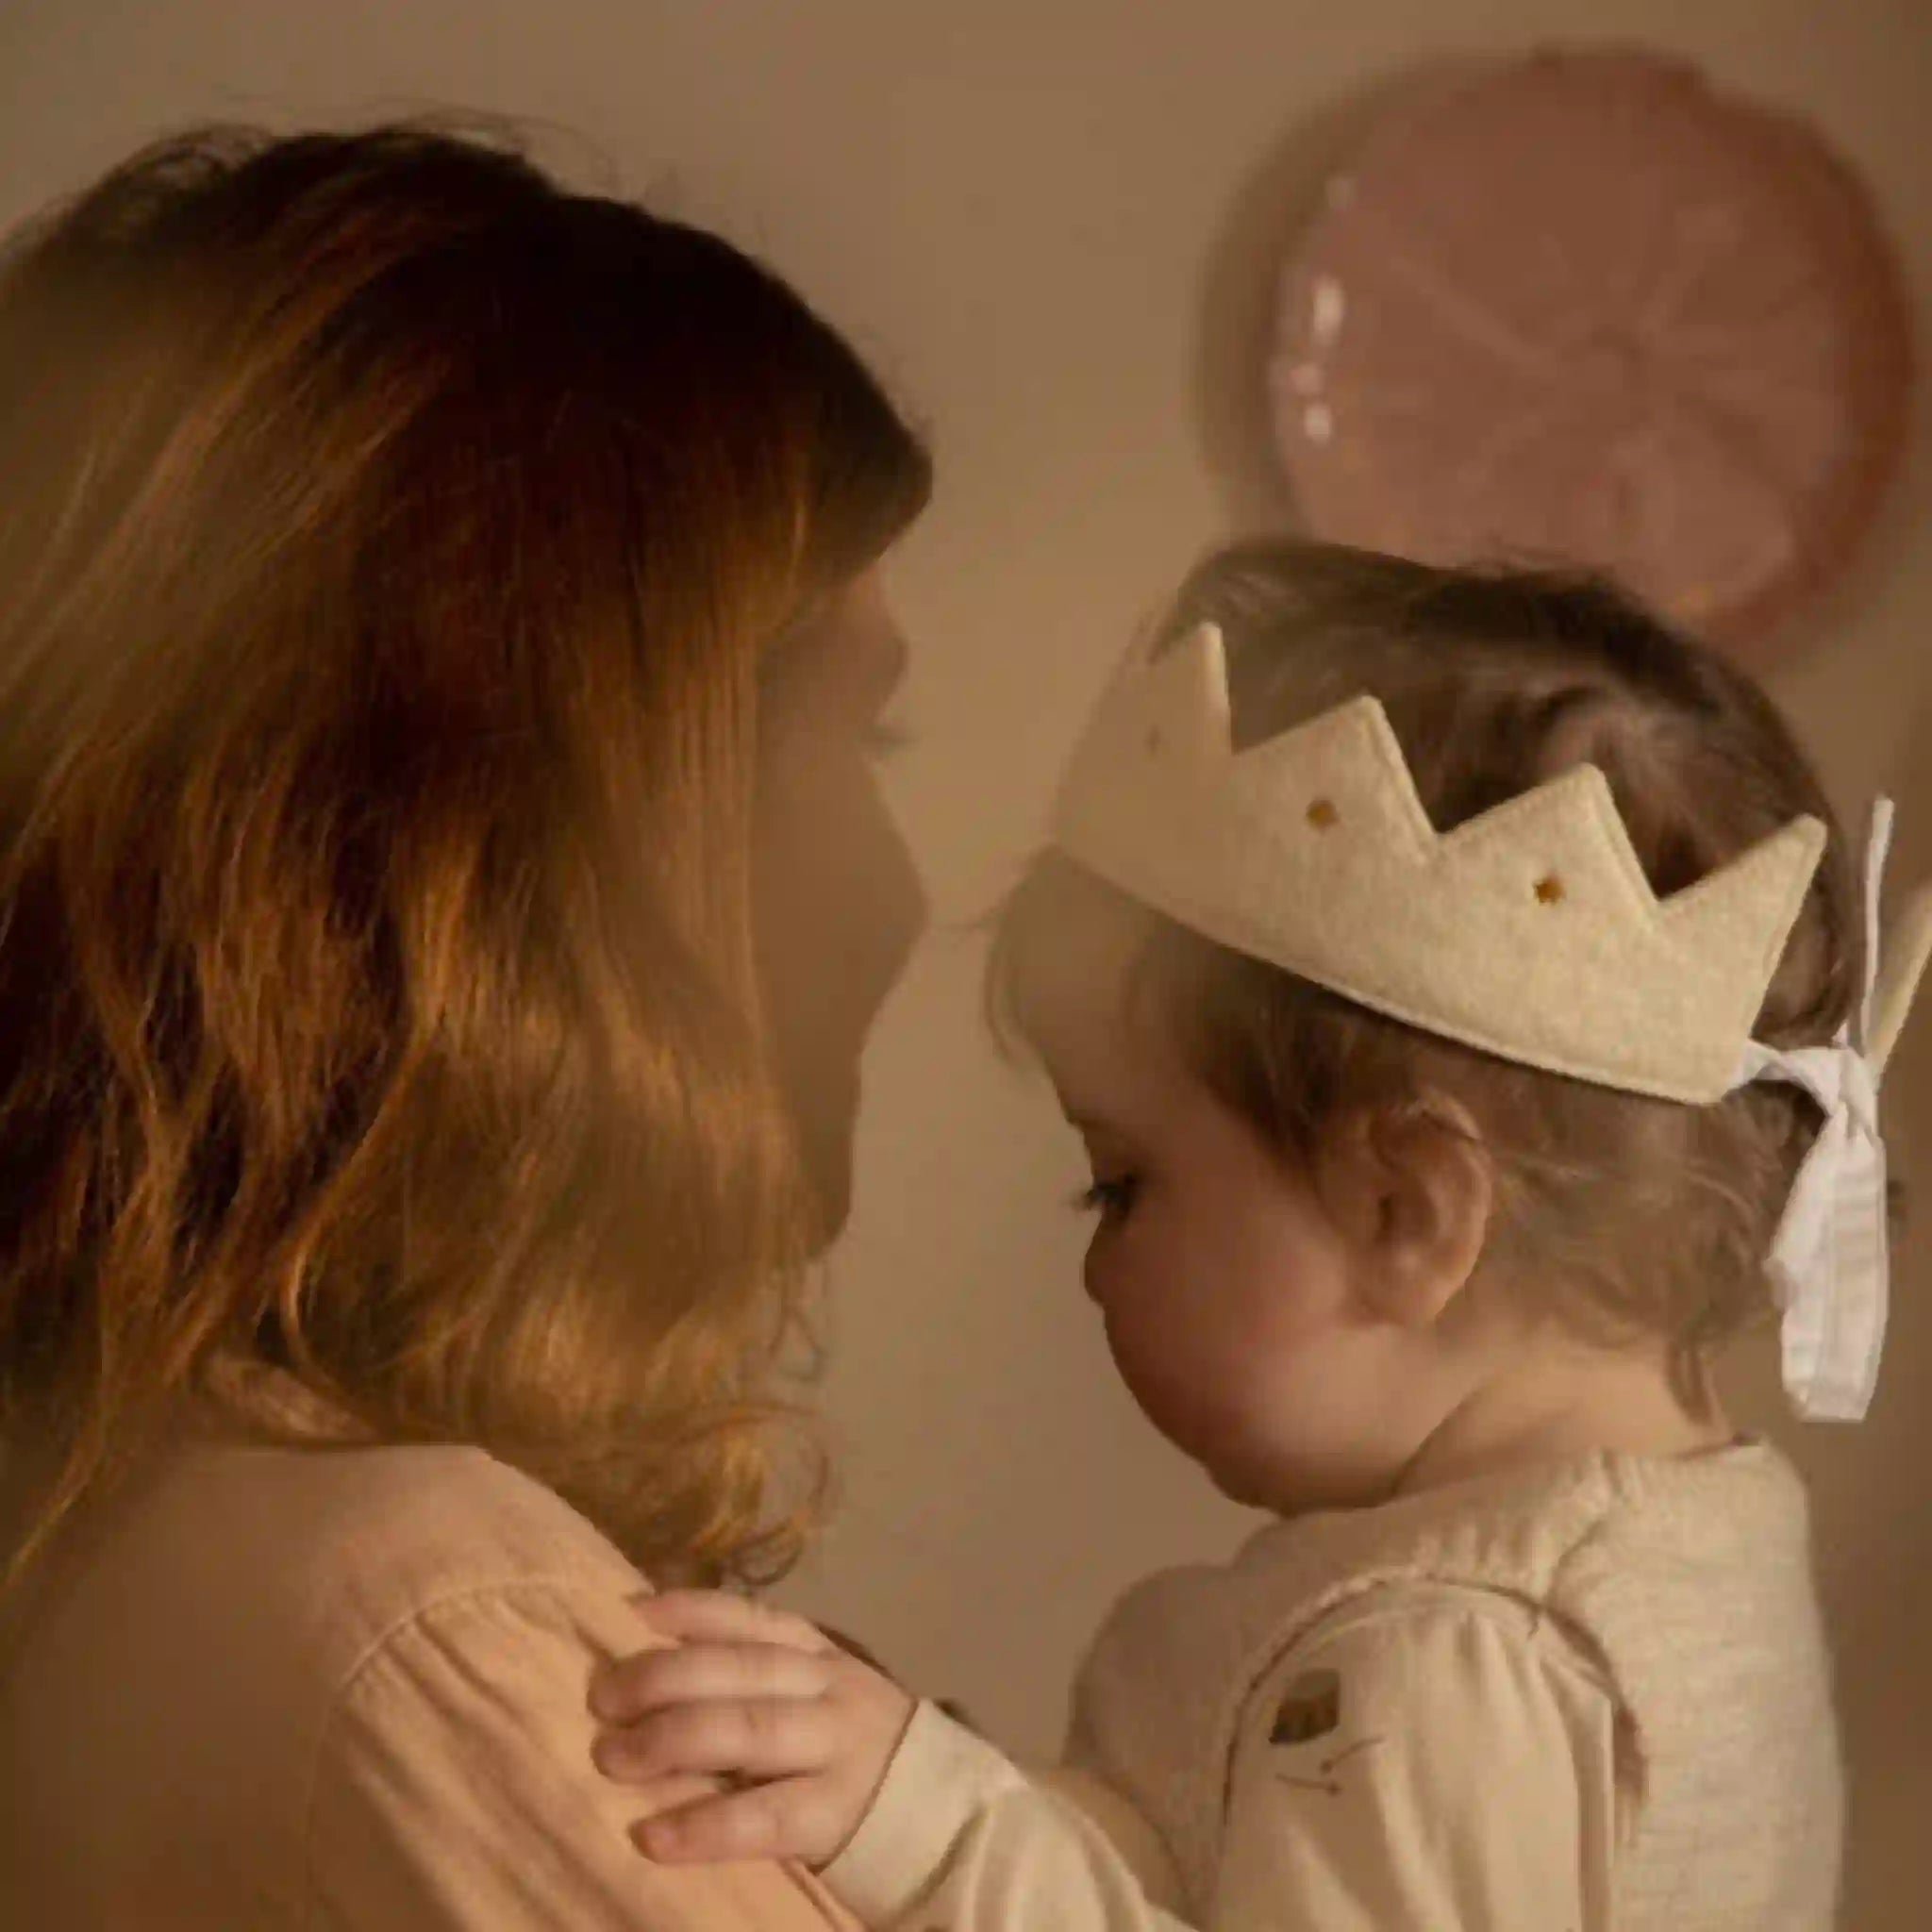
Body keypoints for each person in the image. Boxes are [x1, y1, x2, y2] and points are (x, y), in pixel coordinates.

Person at [585, 541, 1932, 1930]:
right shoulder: (1685, 1556)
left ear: (1407, 1210)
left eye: (1122, 1184)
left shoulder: (1446, 1668)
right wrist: (969, 1789)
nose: (1095, 1269)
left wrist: (935, 1833)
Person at [0, 124, 930, 1928]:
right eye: (853, 734)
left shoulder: (151, 1534)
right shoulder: (433, 1644)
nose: (904, 891)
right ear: (539, 843)